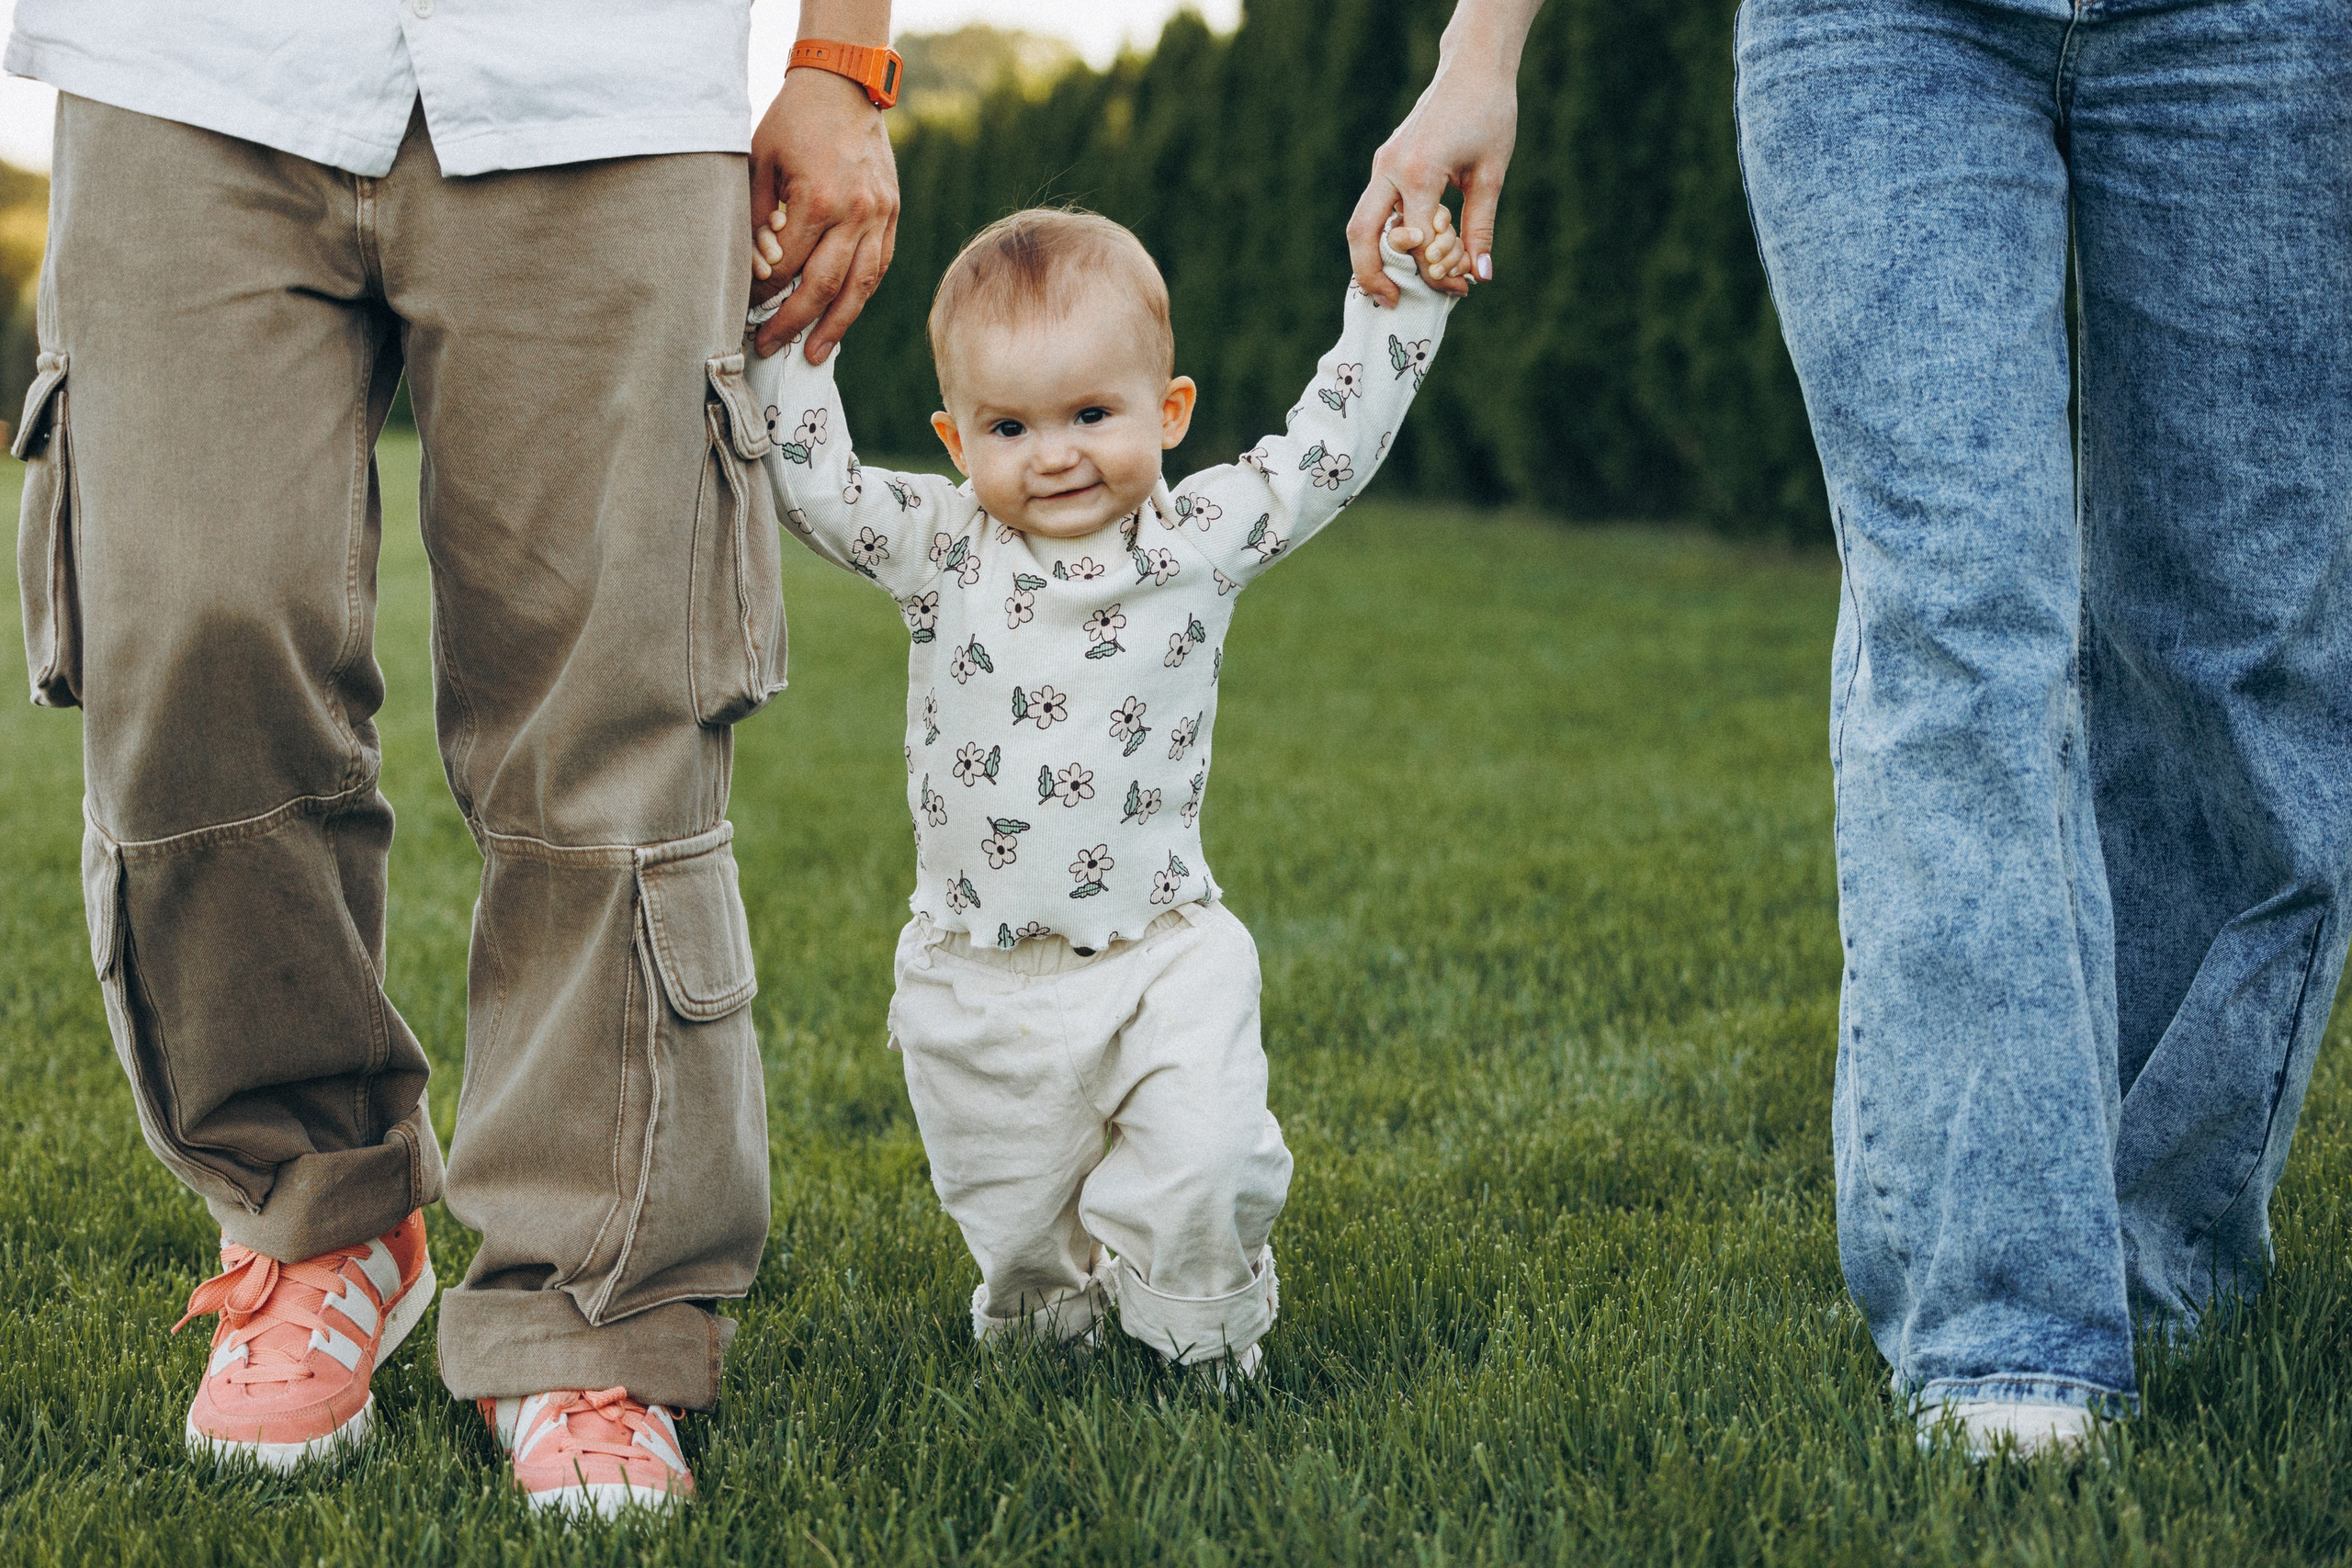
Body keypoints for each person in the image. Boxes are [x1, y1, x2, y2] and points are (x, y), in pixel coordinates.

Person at [7, 0, 898, 1515]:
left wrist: (840, 60)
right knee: (186, 632)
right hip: (188, 59)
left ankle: (588, 1301)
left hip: (600, 76)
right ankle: (316, 1214)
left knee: (607, 705)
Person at [1735, 0, 2352, 1459]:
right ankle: (2004, 1323)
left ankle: (2161, 1250)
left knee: (2240, 651)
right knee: (1959, 632)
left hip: (2261, 30)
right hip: (1878, 30)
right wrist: (1480, 49)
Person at [741, 204, 1465, 1380]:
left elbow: (1332, 443)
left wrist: (1406, 295)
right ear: (956, 435)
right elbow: (814, 482)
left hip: (1160, 950)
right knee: (1020, 1229)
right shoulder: (945, 548)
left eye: (1091, 414)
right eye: (1009, 426)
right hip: (979, 978)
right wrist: (786, 328)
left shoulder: (1196, 538)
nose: (1056, 453)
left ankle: (1202, 1343)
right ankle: (1052, 1337)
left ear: (1166, 412)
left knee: (1207, 1157)